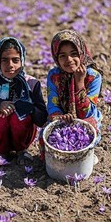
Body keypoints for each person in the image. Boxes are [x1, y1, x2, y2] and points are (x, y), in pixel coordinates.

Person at [0, 37, 48, 165]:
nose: (10, 65)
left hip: (25, 133)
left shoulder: (32, 84)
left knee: (19, 117)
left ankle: (21, 151)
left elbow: (42, 120)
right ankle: (2, 152)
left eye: (15, 60)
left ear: (22, 60)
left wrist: (27, 107)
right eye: (4, 60)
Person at [39, 29, 103, 160]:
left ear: (81, 53)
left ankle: (86, 158)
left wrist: (79, 82)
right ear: (56, 57)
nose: (69, 60)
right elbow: (52, 104)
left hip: (86, 118)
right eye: (62, 55)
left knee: (86, 136)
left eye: (74, 54)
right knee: (45, 136)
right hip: (62, 117)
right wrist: (60, 117)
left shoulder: (93, 77)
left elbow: (86, 112)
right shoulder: (54, 76)